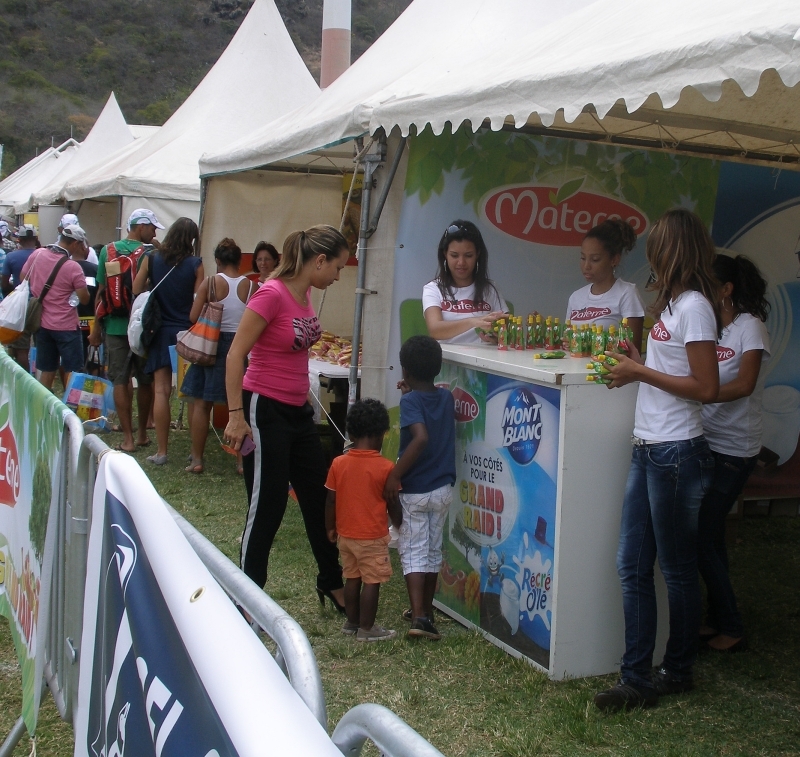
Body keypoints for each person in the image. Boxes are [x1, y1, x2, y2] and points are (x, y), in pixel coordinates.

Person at [594, 208, 721, 712]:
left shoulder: (695, 307)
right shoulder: (670, 306)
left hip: (676, 453)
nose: (651, 254)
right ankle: (636, 677)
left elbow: (706, 388)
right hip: (650, 448)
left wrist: (640, 373)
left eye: (657, 247)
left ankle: (676, 669)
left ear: (673, 251)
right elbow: (673, 373)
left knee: (675, 569)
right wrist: (638, 363)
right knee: (632, 565)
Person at [222, 224, 349, 609]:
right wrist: (235, 416)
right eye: (338, 268)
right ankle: (248, 598)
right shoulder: (271, 295)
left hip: (299, 411)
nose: (340, 276)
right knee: (269, 506)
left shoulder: (306, 292)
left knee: (317, 498)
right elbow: (234, 356)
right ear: (319, 261)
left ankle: (332, 582)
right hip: (266, 408)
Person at [698, 254, 770, 654]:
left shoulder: (750, 328)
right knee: (710, 535)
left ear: (726, 290)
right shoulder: (712, 328)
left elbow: (745, 383)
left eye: (707, 284)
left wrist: (698, 393)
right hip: (706, 440)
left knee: (703, 538)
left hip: (735, 449)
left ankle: (732, 625)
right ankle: (716, 618)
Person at [384, 335, 456, 641]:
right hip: (442, 489)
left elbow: (421, 437)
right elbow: (429, 403)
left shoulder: (410, 401)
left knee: (412, 552)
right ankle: (424, 609)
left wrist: (393, 476)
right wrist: (412, 389)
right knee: (431, 550)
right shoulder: (446, 398)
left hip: (415, 490)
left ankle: (420, 617)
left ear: (405, 371)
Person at [325, 398, 401, 641]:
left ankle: (351, 622)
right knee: (372, 580)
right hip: (372, 536)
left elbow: (330, 500)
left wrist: (330, 527)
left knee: (352, 577)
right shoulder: (386, 468)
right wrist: (399, 522)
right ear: (380, 435)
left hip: (345, 535)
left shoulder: (339, 463)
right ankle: (367, 629)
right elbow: (393, 502)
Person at [133, 217, 204, 465]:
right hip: (187, 332)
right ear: (192, 239)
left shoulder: (152, 259)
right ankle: (195, 455)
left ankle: (162, 452)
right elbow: (199, 301)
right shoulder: (196, 264)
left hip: (160, 331)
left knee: (161, 390)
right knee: (192, 394)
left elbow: (136, 288)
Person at [90, 209, 160, 453]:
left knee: (119, 380)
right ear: (141, 227)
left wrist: (97, 327)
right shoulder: (151, 253)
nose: (154, 233)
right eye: (152, 228)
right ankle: (142, 433)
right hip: (142, 326)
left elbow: (101, 292)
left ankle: (128, 438)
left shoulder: (107, 251)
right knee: (145, 380)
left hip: (115, 324)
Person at [181, 238, 253, 473]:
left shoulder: (210, 283)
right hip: (241, 346)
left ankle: (197, 459)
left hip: (211, 345)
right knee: (241, 406)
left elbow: (193, 316)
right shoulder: (252, 287)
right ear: (240, 261)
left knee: (202, 404)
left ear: (218, 261)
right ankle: (243, 462)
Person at [19, 225, 90, 390]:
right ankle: (70, 409)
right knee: (73, 370)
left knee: (47, 369)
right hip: (67, 327)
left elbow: (23, 277)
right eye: (81, 245)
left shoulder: (37, 255)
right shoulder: (73, 267)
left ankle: (44, 408)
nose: (82, 249)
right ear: (74, 244)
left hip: (42, 324)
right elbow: (84, 299)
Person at [566, 219, 646, 352]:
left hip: (608, 371)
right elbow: (568, 344)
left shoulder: (627, 293)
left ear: (614, 259)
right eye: (583, 258)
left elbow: (633, 351)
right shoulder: (576, 297)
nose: (586, 266)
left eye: (595, 259)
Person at [422, 220, 507, 344]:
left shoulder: (490, 288)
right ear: (445, 254)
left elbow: (507, 329)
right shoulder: (433, 288)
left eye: (468, 255)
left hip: (483, 362)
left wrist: (497, 337)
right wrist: (473, 321)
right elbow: (435, 330)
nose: (461, 262)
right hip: (446, 362)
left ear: (478, 254)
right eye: (454, 255)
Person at [1, 225, 41, 372]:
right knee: (41, 343)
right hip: (41, 304)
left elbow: (4, 283)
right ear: (36, 239)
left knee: (21, 347)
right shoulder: (43, 255)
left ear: (19, 239)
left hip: (21, 305)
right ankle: (41, 376)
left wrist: (16, 290)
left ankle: (25, 377)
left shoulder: (11, 257)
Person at [69, 231, 98, 370]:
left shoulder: (63, 268)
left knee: (70, 361)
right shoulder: (94, 269)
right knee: (92, 360)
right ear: (82, 247)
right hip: (91, 323)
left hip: (69, 321)